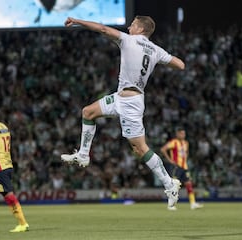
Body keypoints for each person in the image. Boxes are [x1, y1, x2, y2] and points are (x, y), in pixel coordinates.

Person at [61, 16, 185, 209]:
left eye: (133, 25)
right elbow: (180, 64)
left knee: (139, 149)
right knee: (88, 112)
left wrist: (77, 21)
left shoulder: (128, 40)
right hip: (120, 97)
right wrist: (160, 60)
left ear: (141, 29)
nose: (129, 27)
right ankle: (83, 154)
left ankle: (170, 184)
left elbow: (102, 29)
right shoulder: (156, 50)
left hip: (131, 103)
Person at [160, 126, 204, 210]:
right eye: (181, 133)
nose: (183, 135)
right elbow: (163, 149)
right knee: (174, 186)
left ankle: (193, 203)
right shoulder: (174, 142)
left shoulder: (186, 143)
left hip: (184, 167)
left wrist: (185, 159)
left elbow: (185, 153)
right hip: (176, 167)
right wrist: (170, 160)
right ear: (177, 134)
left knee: (189, 184)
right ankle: (170, 205)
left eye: (184, 133)